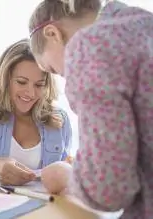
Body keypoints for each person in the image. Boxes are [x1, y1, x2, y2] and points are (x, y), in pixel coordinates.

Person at [29, 0, 153, 217]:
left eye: (52, 69)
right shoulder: (143, 27)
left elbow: (108, 191)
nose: (64, 76)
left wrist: (66, 175)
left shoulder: (89, 45)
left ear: (52, 33)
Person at [0, 39, 72, 186]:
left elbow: (65, 167)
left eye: (39, 85)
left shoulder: (60, 120)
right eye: (21, 82)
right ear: (6, 79)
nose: (30, 93)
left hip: (45, 204)